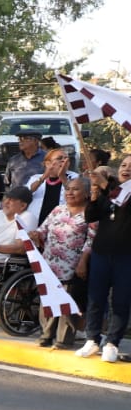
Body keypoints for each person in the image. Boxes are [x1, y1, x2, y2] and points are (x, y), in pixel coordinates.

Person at [75, 154, 131, 362]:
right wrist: (95, 195)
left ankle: (112, 343)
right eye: (124, 165)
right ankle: (92, 339)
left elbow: (121, 201)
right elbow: (91, 216)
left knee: (121, 301)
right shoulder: (111, 189)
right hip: (101, 253)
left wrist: (104, 185)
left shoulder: (119, 191)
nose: (126, 169)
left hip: (126, 256)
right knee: (95, 298)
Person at [32, 177, 92, 348]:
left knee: (67, 301)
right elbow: (42, 230)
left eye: (75, 189)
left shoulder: (90, 213)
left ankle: (63, 339)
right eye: (68, 189)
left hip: (73, 265)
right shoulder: (58, 210)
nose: (70, 192)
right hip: (50, 263)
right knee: (49, 299)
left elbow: (91, 240)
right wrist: (35, 235)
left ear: (87, 194)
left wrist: (83, 262)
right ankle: (46, 335)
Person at [23, 148, 78, 224]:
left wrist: (62, 176)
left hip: (61, 224)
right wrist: (44, 177)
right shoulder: (35, 178)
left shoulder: (75, 177)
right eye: (59, 158)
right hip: (36, 222)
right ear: (48, 163)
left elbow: (74, 193)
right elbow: (26, 193)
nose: (64, 161)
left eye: (66, 158)